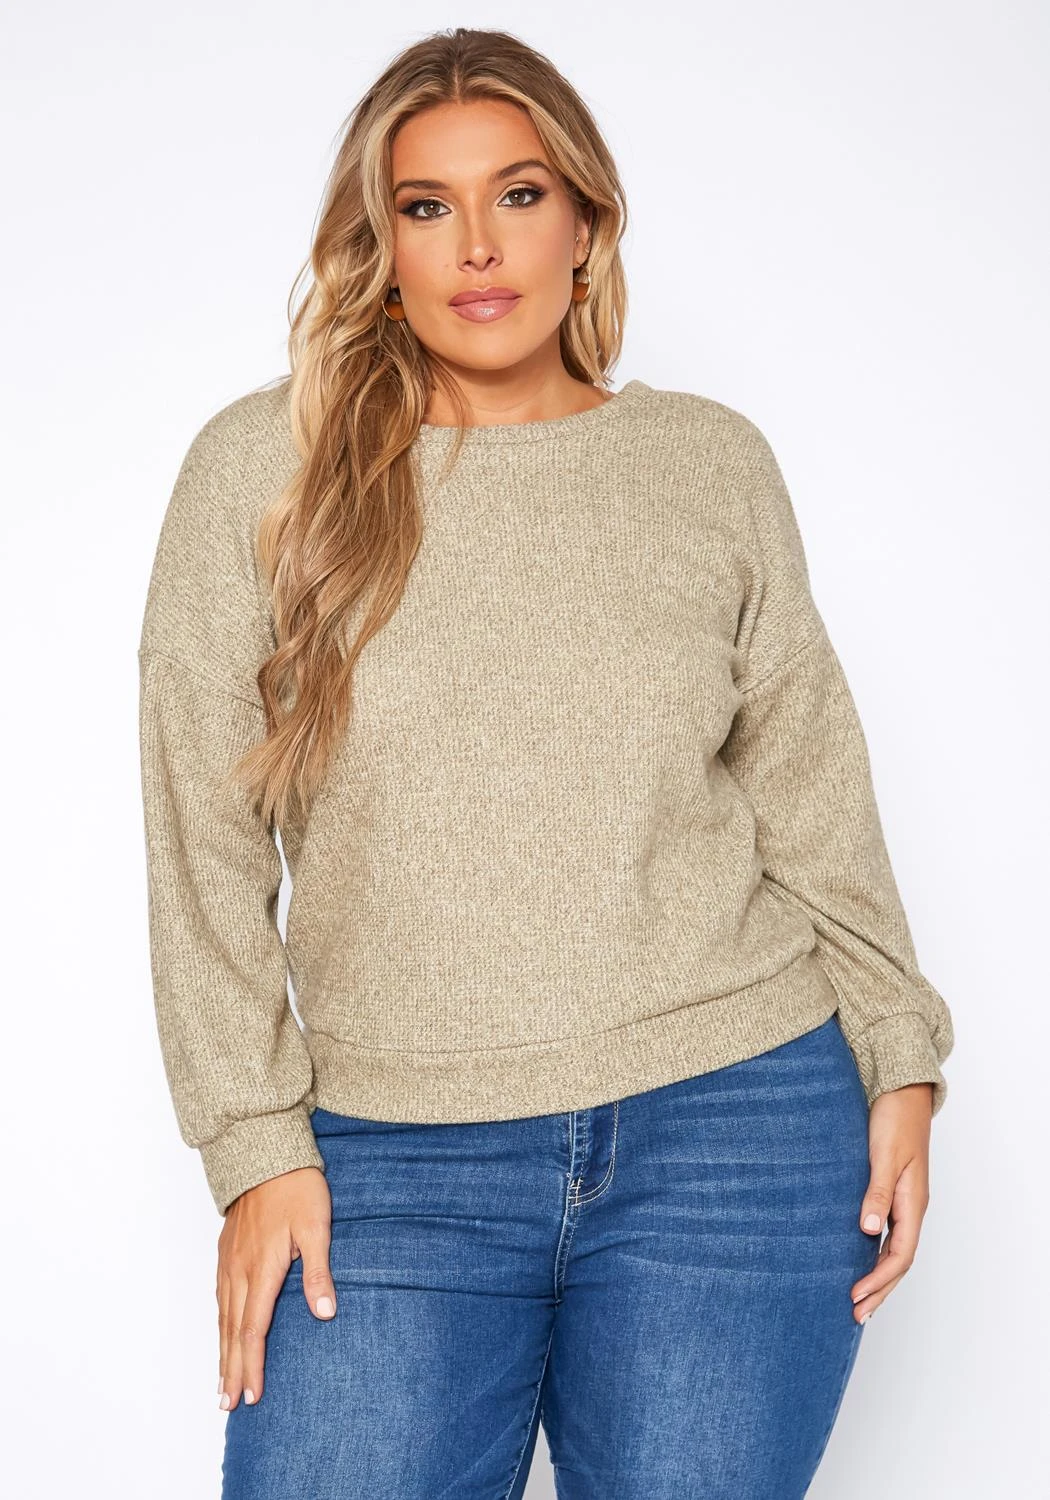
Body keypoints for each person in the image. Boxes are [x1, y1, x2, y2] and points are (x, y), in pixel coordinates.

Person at [136, 26, 955, 1500]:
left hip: (737, 1131)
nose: (478, 245)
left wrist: (901, 1052)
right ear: (380, 245)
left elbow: (809, 783)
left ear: (585, 223)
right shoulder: (263, 473)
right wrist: (256, 1146)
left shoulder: (707, 464)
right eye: (426, 206)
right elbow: (200, 832)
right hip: (391, 1152)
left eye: (518, 194)